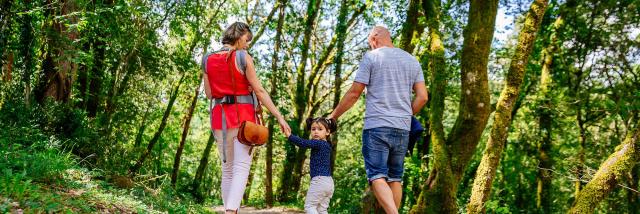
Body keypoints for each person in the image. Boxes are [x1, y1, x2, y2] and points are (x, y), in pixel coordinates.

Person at [327, 26, 428, 214]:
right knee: (395, 178)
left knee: (377, 176)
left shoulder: (372, 57)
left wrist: (332, 117)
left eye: (369, 42)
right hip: (402, 129)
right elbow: (422, 97)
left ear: (374, 38)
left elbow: (354, 93)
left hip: (377, 127)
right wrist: (406, 116)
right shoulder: (411, 60)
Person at [202, 22, 291, 214]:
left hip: (219, 120)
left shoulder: (207, 59)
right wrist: (279, 117)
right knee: (241, 167)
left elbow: (209, 94)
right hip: (243, 120)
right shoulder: (242, 57)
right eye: (247, 39)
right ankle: (231, 211)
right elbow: (259, 90)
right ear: (239, 36)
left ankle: (229, 209)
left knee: (227, 170)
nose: (248, 44)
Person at [284, 117, 337, 214]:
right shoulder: (327, 145)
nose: (316, 132)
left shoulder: (318, 143)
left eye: (320, 129)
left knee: (309, 207)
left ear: (328, 132)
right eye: (313, 129)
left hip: (319, 181)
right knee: (322, 210)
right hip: (329, 183)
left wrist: (290, 136)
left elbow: (303, 143)